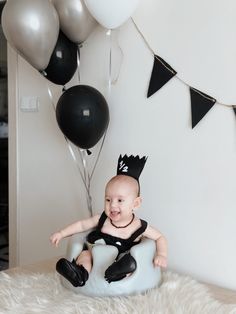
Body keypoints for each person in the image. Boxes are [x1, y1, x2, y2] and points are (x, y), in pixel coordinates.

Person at [50, 154, 167, 287]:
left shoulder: (138, 226)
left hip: (118, 261)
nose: (112, 205)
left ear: (136, 204)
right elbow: (82, 225)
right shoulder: (102, 219)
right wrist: (61, 233)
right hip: (95, 254)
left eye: (120, 200)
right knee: (85, 256)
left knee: (129, 261)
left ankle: (119, 273)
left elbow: (159, 237)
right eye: (108, 200)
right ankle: (79, 275)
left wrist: (161, 254)